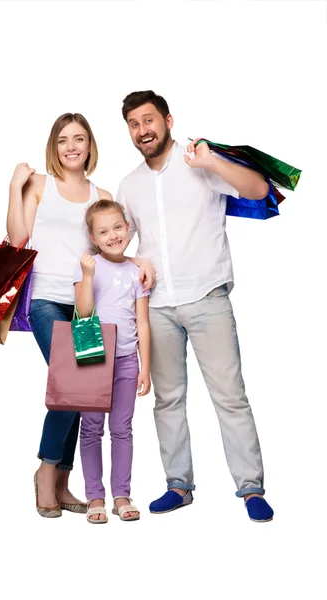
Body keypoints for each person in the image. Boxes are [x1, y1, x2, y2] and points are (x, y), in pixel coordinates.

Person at [116, 90, 274, 523]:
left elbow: (259, 189)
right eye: (133, 124)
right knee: (167, 400)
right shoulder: (129, 185)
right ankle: (178, 486)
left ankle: (251, 489)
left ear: (168, 120)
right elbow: (118, 241)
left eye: (148, 120)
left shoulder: (200, 164)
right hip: (158, 308)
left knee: (230, 397)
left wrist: (213, 162)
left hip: (207, 297)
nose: (142, 130)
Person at [6, 113, 154, 518]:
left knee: (81, 392)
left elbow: (114, 242)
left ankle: (63, 478)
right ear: (54, 147)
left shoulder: (101, 192)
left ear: (90, 146)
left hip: (89, 305)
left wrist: (139, 259)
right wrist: (14, 188)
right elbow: (19, 239)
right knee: (73, 387)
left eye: (80, 139)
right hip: (47, 300)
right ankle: (46, 471)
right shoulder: (39, 185)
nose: (71, 146)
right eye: (63, 140)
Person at [74, 200, 151, 523]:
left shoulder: (138, 272)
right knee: (91, 428)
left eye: (118, 227)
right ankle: (95, 496)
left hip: (126, 360)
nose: (113, 236)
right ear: (93, 237)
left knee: (122, 428)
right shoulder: (87, 267)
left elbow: (142, 322)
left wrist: (144, 366)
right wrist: (89, 275)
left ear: (128, 228)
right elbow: (84, 312)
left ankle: (121, 494)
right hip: (92, 356)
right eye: (104, 231)